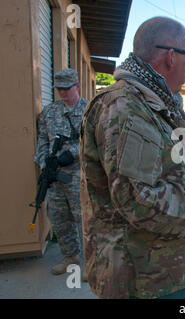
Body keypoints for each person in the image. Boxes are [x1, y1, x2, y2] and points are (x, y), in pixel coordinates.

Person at [79, 16, 185, 299]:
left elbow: (172, 170)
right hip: (140, 281)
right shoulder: (127, 108)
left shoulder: (158, 102)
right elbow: (140, 203)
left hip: (162, 272)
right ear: (171, 57)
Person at [34, 68, 88, 278]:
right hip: (55, 177)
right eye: (59, 89)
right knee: (59, 218)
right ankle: (70, 257)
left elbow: (96, 142)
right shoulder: (49, 112)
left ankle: (89, 262)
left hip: (79, 177)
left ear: (77, 86)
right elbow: (42, 142)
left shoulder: (89, 110)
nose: (63, 93)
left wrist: (73, 153)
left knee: (83, 220)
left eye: (67, 88)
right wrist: (44, 162)